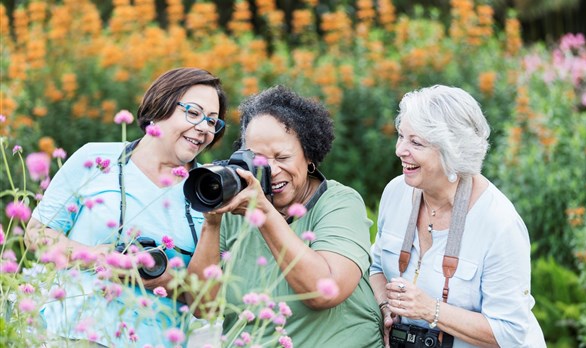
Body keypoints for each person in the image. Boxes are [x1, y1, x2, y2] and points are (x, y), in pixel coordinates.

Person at [25, 67, 227, 347]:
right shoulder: (95, 158)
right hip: (74, 335)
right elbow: (36, 234)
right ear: (161, 105)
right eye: (193, 113)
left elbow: (206, 304)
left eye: (213, 122)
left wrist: (166, 281)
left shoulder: (208, 190)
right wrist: (98, 257)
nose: (204, 127)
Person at [187, 85, 383, 346]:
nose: (271, 170)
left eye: (282, 157)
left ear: (309, 155)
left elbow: (325, 291)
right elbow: (203, 308)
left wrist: (264, 213)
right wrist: (211, 222)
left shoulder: (339, 203)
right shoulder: (234, 209)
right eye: (257, 159)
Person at [370, 85, 545, 347]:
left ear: (453, 152)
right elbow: (376, 269)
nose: (400, 150)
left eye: (415, 142)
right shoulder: (396, 192)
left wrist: (430, 310)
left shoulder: (499, 224)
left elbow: (510, 332)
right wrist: (385, 307)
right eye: (401, 136)